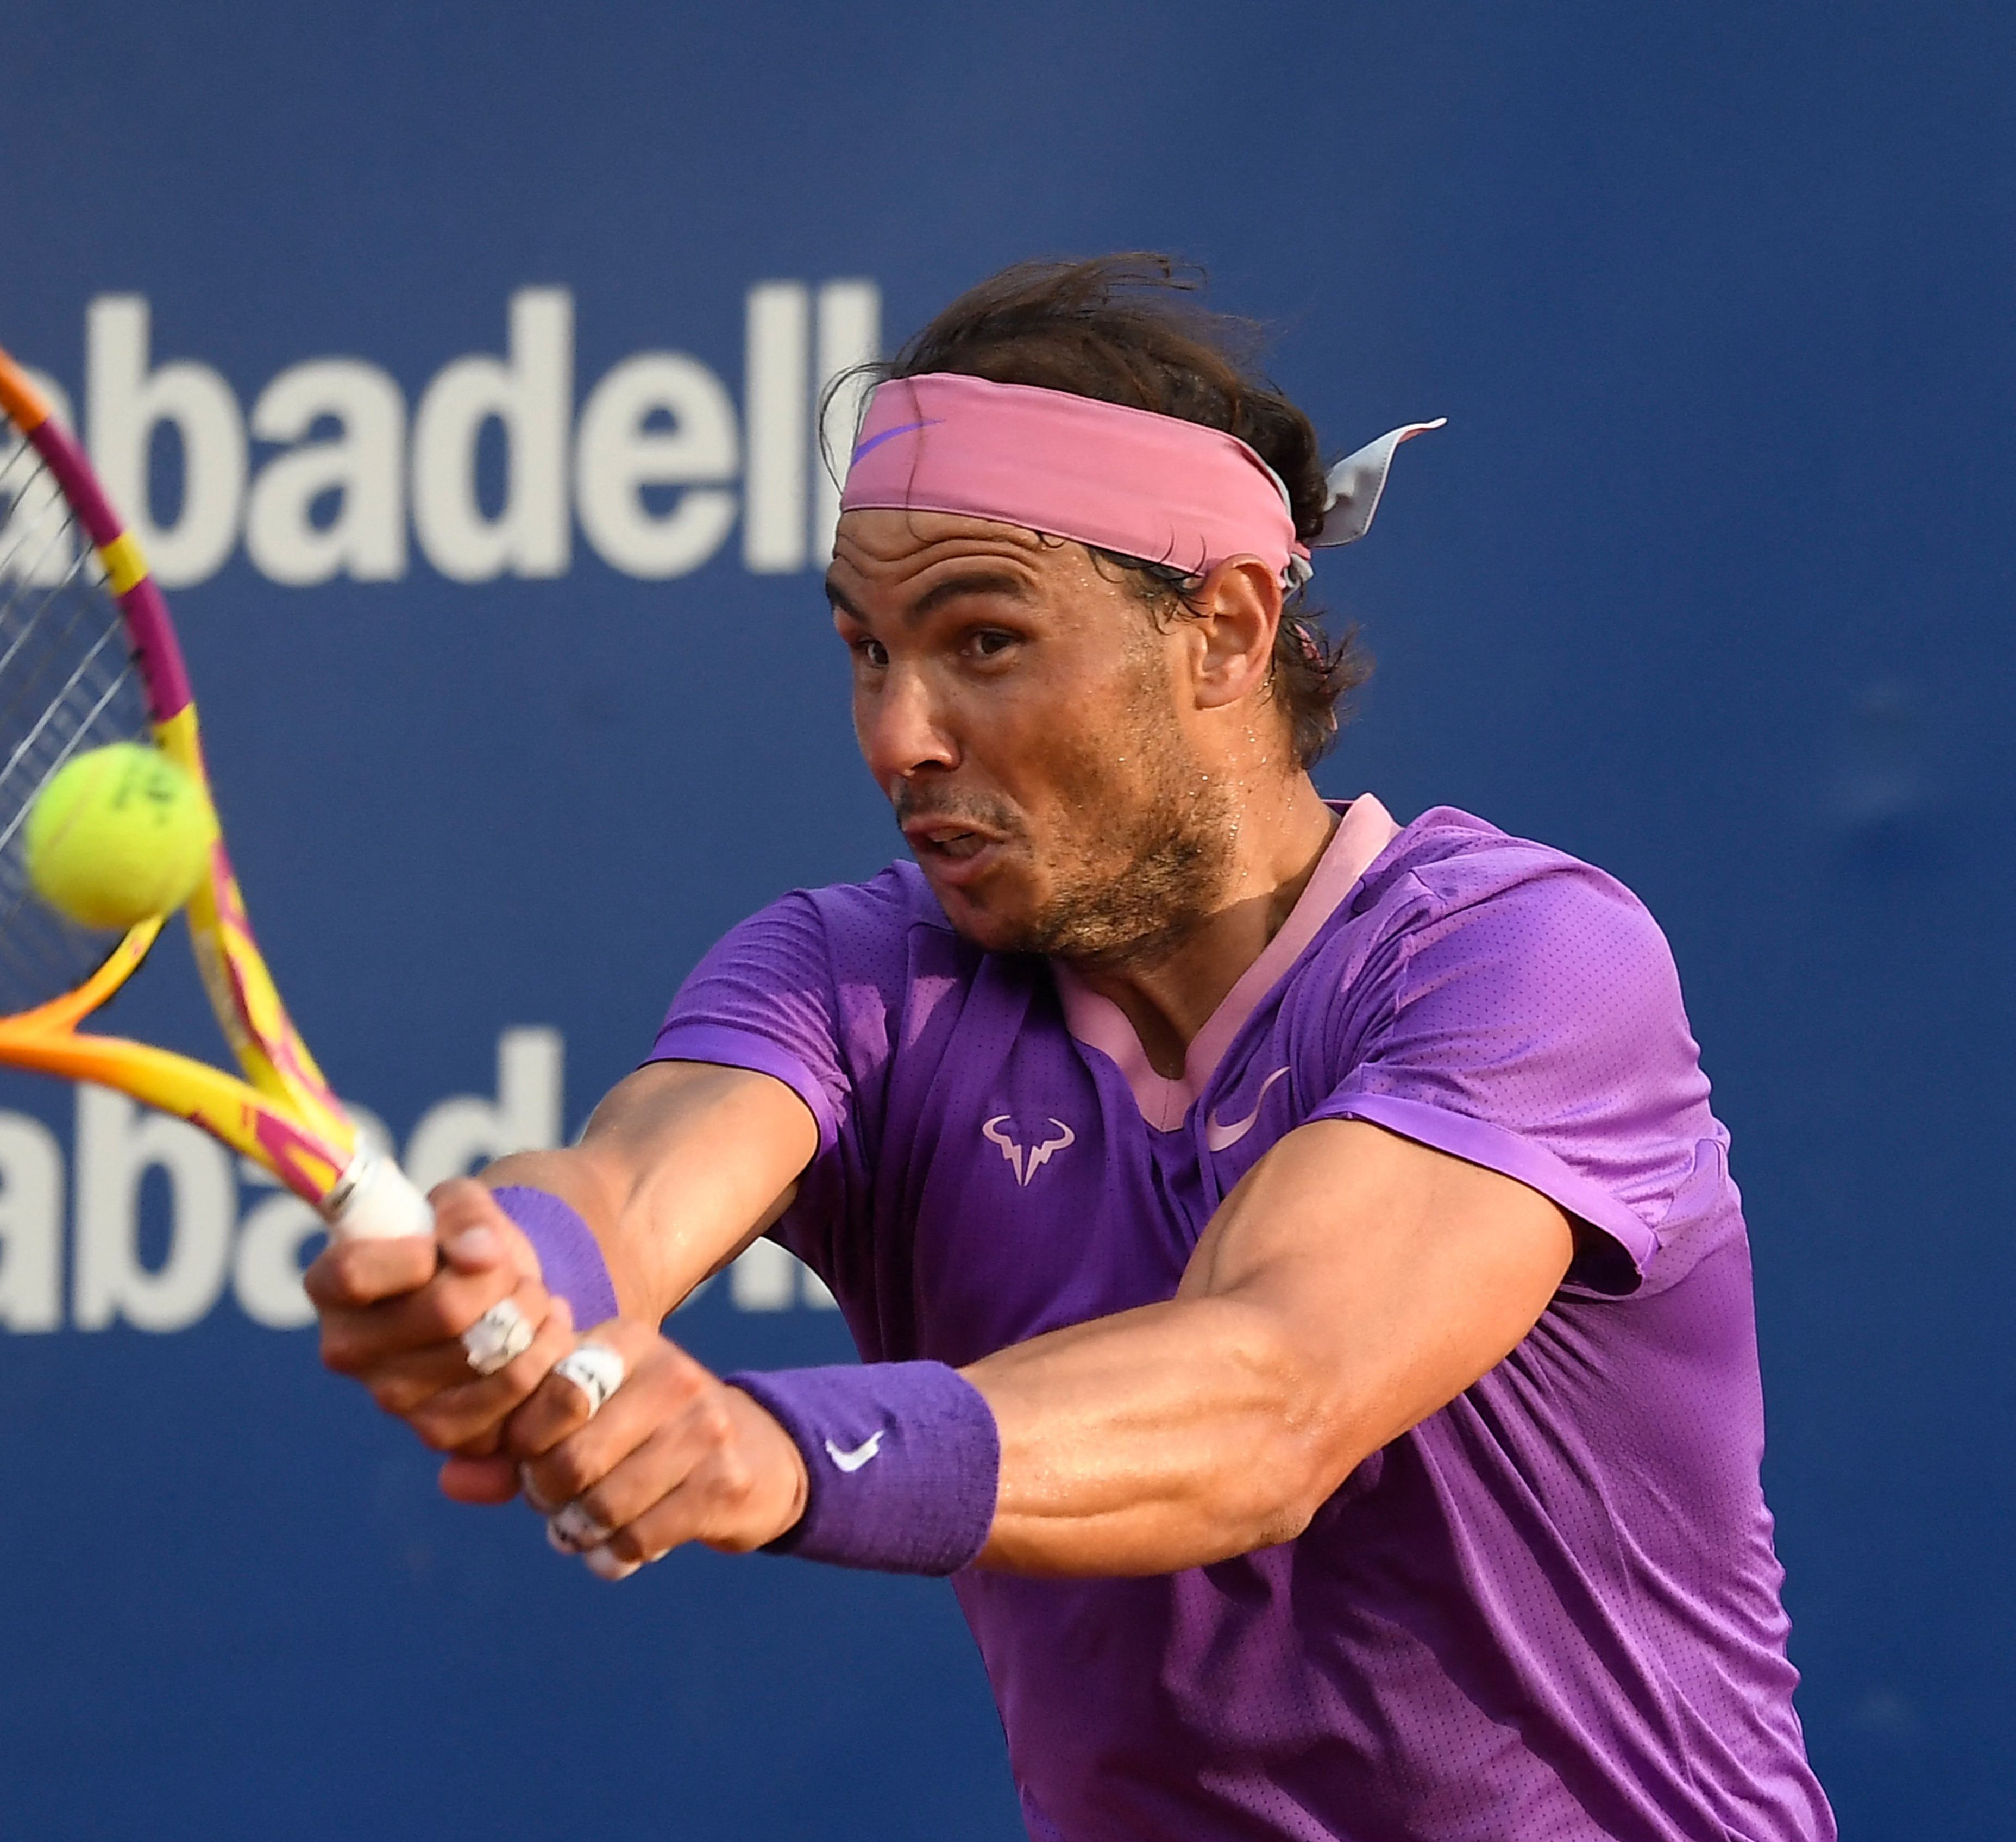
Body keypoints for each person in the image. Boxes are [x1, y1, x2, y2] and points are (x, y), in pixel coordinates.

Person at [304, 256, 1834, 1841]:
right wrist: (522, 1265)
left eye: (981, 641)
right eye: (867, 651)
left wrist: (775, 1450)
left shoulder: (1521, 960)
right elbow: (637, 1186)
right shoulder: (850, 978)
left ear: (1228, 632)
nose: (900, 734)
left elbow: (1275, 1394)